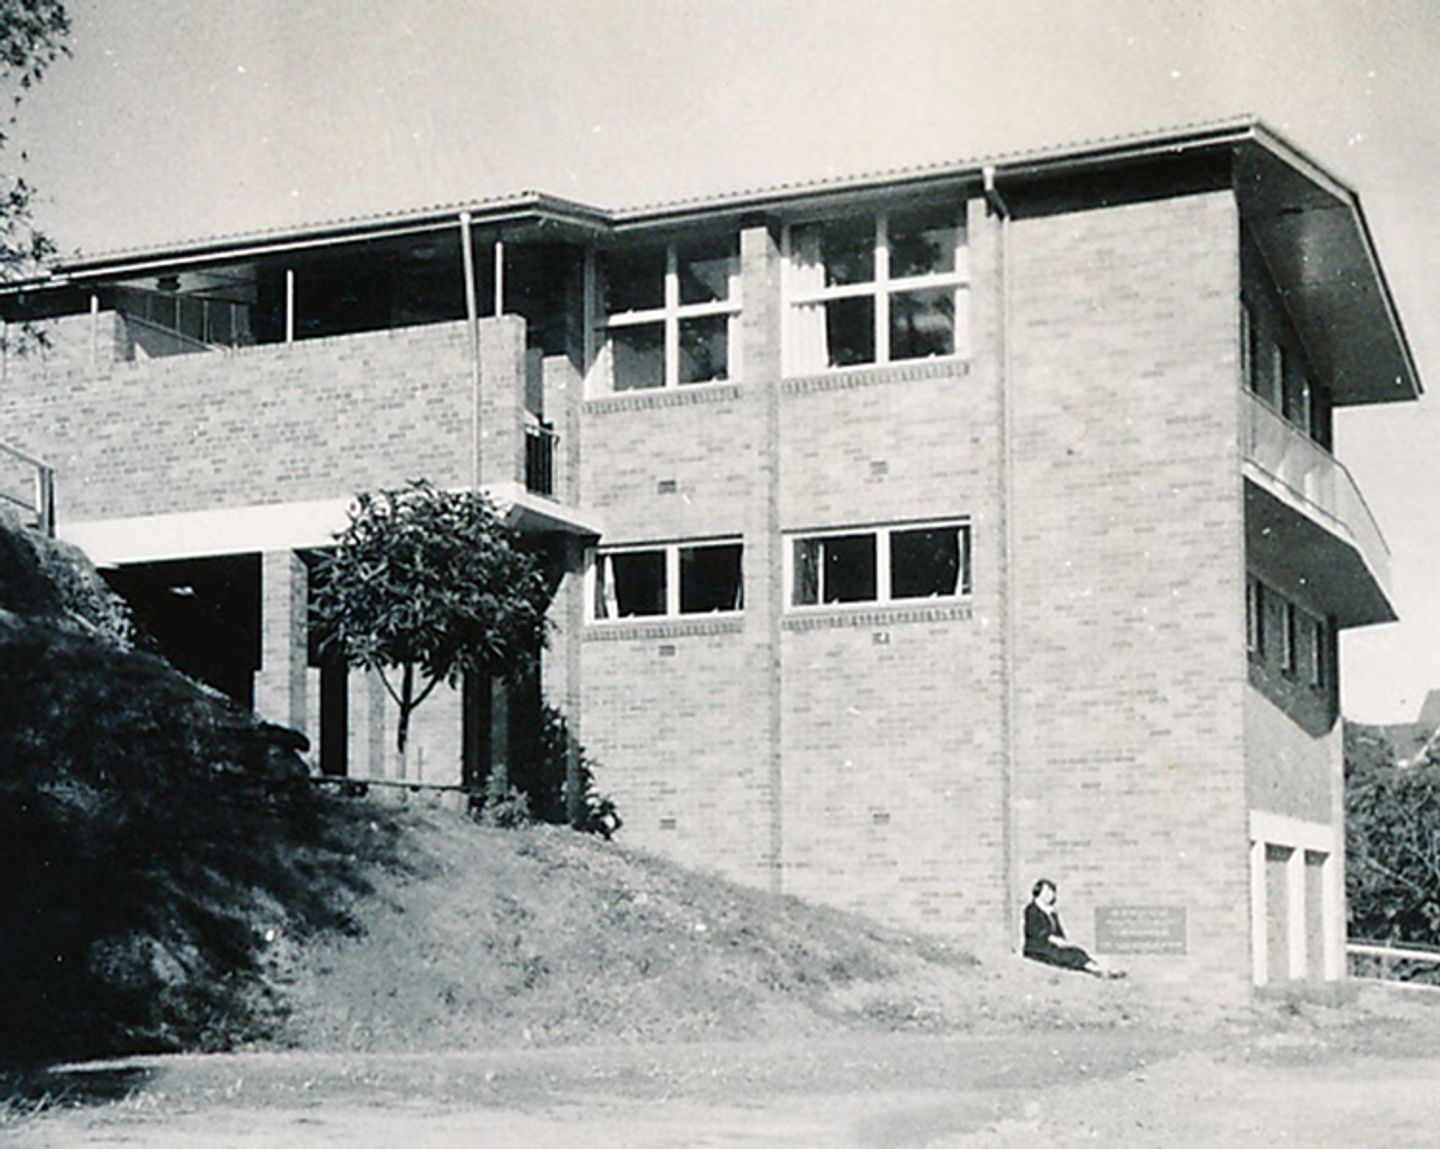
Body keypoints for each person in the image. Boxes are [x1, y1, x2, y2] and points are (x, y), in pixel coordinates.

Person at [1022, 878, 1125, 978]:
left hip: (1051, 945)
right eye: (1047, 891)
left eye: (1052, 892)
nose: (1050, 895)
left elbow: (1058, 932)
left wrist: (1062, 941)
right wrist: (1054, 939)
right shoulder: (1032, 910)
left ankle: (1101, 968)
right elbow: (1035, 931)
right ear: (1038, 892)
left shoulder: (1051, 912)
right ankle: (1097, 970)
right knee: (1069, 956)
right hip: (1037, 949)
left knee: (1077, 951)